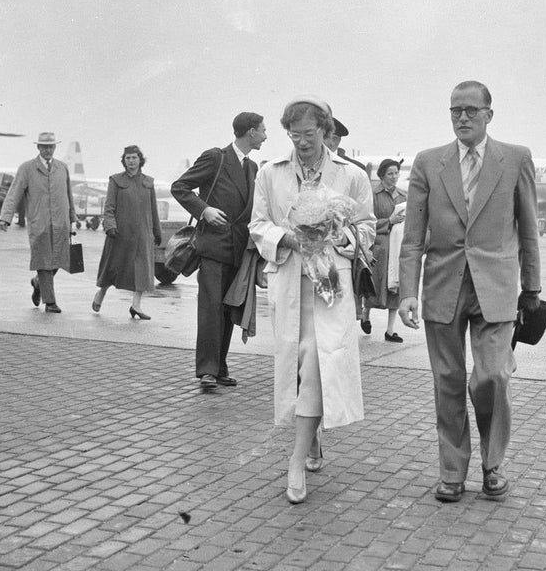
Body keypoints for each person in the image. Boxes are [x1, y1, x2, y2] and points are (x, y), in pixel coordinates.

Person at [398, 80, 541, 503]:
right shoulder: (428, 163)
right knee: (447, 379)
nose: (462, 118)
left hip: (495, 289)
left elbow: (529, 230)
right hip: (443, 285)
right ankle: (452, 472)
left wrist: (531, 288)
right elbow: (412, 236)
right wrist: (408, 291)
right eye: (455, 111)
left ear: (489, 115)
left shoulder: (515, 160)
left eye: (471, 111)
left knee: (493, 375)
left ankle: (493, 465)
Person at [249, 96, 375, 504]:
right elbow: (257, 224)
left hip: (331, 287)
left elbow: (367, 229)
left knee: (320, 361)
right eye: (294, 134)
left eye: (309, 134)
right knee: (301, 362)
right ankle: (313, 436)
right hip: (290, 282)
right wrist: (288, 237)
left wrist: (343, 237)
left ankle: (295, 458)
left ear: (326, 131)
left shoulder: (351, 176)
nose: (301, 142)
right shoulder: (270, 173)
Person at [171, 112, 267, 391]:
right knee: (211, 309)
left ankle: (220, 366)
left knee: (227, 309)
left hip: (238, 249)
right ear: (250, 132)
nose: (265, 135)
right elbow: (181, 187)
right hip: (214, 246)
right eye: (263, 130)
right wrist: (204, 210)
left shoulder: (251, 168)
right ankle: (207, 371)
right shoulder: (216, 157)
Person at [0, 132, 77, 313]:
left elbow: (68, 194)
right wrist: (5, 217)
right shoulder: (27, 168)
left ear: (55, 147)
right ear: (38, 147)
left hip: (61, 223)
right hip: (39, 223)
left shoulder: (62, 168)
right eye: (44, 146)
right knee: (43, 261)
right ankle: (50, 302)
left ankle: (38, 282)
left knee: (58, 260)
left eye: (51, 146)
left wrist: (72, 215)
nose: (48, 150)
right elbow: (14, 192)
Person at [93, 145, 162, 319]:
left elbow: (153, 209)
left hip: (142, 234)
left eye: (134, 158)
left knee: (142, 270)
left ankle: (136, 305)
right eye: (128, 158)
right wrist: (110, 226)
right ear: (123, 161)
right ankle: (101, 293)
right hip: (120, 233)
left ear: (140, 160)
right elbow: (109, 207)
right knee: (113, 267)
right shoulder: (116, 181)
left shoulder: (148, 182)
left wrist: (157, 231)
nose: (131, 161)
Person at [361, 158, 407, 341]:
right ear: (382, 175)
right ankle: (366, 314)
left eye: (396, 173)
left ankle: (390, 330)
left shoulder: (403, 197)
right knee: (376, 284)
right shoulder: (373, 195)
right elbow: (368, 221)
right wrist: (389, 221)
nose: (394, 177)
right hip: (379, 246)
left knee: (395, 287)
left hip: (396, 248)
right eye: (390, 173)